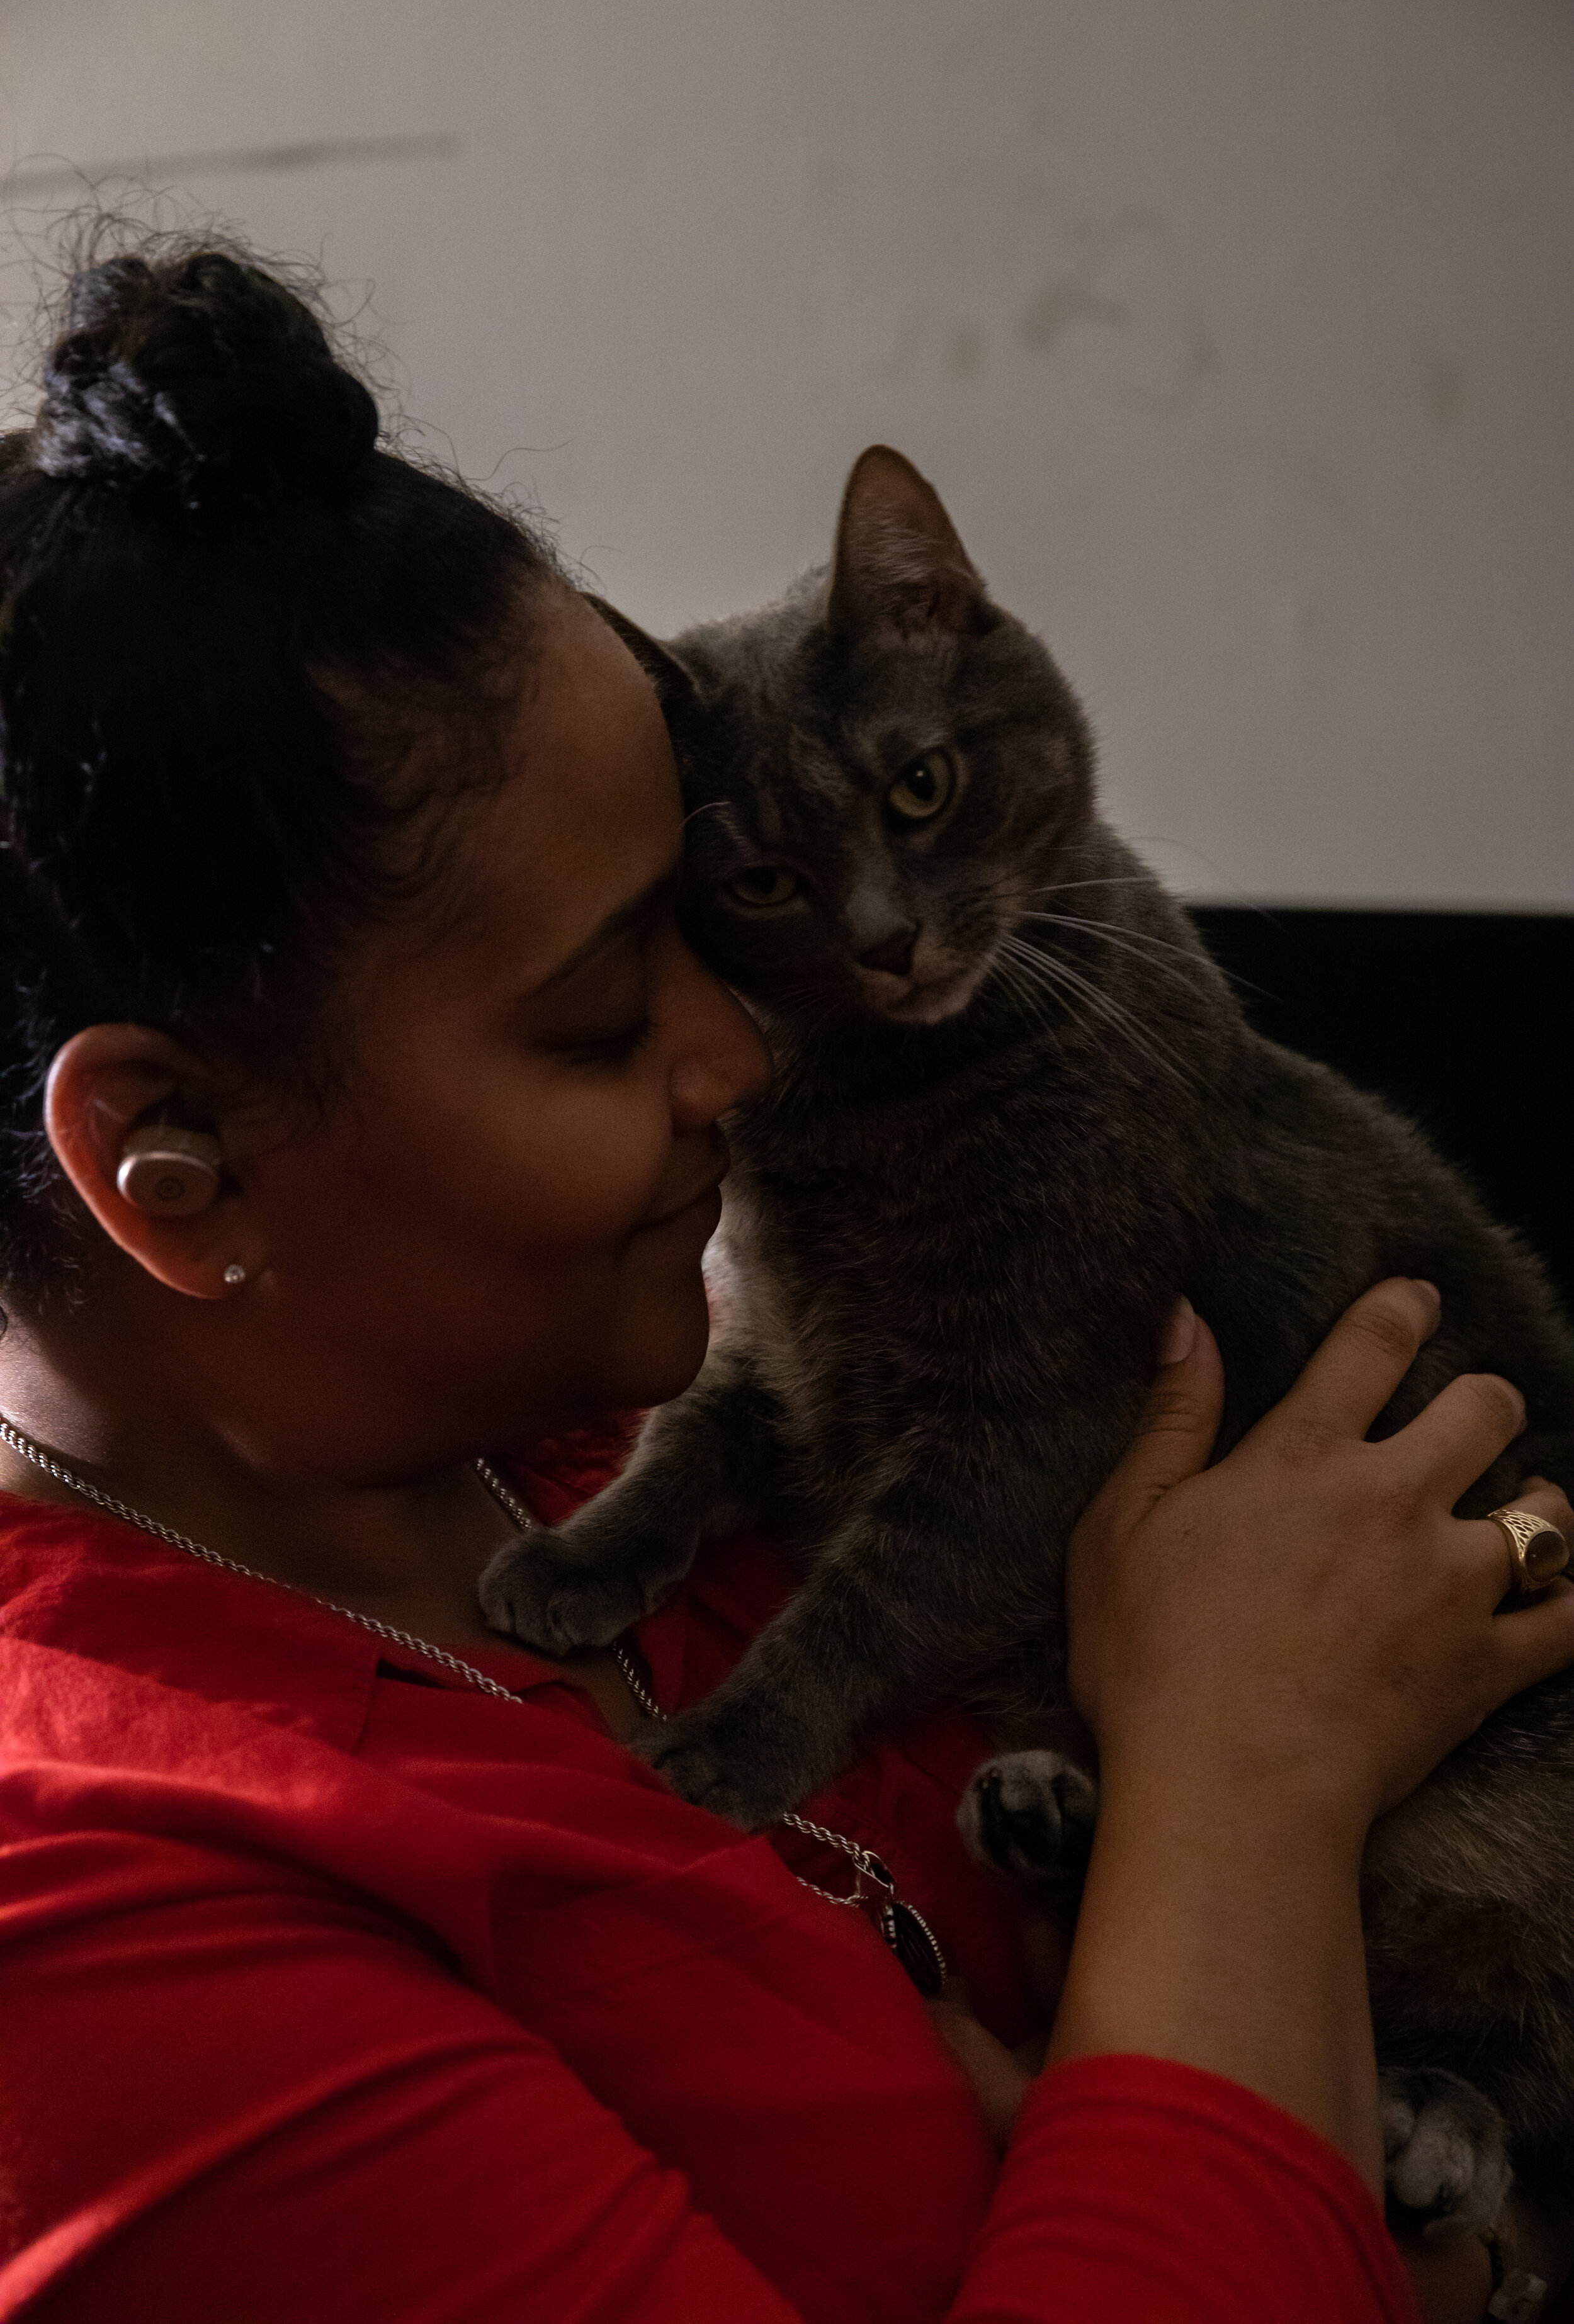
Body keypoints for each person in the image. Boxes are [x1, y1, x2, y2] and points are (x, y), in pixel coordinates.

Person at [0, 237, 1568, 2324]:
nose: (744, 1054)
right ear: (173, 1174)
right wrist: (1244, 1780)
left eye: (700, 940)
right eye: (590, 1021)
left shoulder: (593, 1432)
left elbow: (1447, 2247)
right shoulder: (99, 1932)